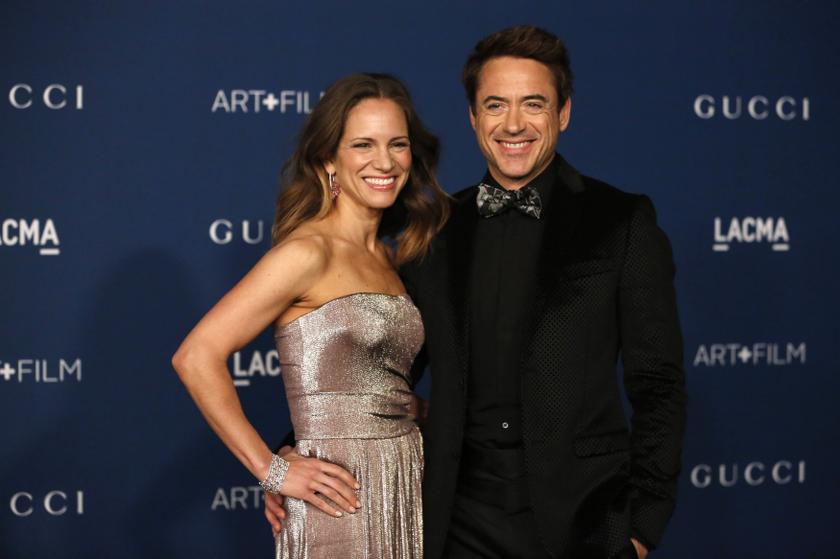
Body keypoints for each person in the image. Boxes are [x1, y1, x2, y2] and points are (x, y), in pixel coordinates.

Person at [267, 25, 686, 559]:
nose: (513, 124)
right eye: (495, 105)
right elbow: (383, 364)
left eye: (533, 104)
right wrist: (291, 453)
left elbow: (660, 384)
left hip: (583, 516)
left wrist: (642, 527)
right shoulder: (431, 231)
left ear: (563, 114)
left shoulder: (621, 222)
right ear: (473, 117)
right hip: (455, 516)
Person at [173, 73, 449, 559]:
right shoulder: (308, 252)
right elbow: (196, 356)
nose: (384, 162)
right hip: (336, 497)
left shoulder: (392, 257)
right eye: (363, 144)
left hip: (405, 483)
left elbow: (376, 374)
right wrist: (273, 470)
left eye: (397, 144)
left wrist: (417, 410)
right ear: (329, 160)